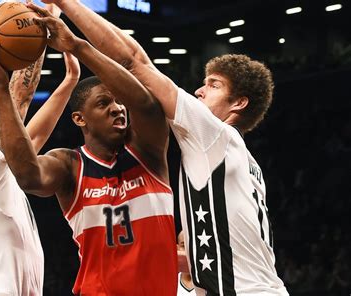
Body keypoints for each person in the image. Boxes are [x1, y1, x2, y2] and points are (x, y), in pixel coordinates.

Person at [43, 1, 289, 295]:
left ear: (238, 104)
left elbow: (135, 60)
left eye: (213, 85)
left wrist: (68, 16)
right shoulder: (244, 160)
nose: (199, 90)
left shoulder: (213, 135)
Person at [0, 4, 178, 294]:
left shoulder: (148, 153)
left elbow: (145, 104)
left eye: (118, 101)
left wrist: (77, 46)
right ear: (80, 119)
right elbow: (28, 176)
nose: (118, 108)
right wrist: (0, 89)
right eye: (104, 103)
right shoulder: (69, 165)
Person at [0, 10, 81, 294]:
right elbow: (19, 101)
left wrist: (69, 82)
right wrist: (38, 34)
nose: (12, 130)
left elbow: (32, 136)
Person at [177, 231, 197, 296]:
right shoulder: (169, 282)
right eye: (184, 246)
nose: (188, 252)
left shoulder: (210, 282)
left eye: (192, 246)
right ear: (177, 248)